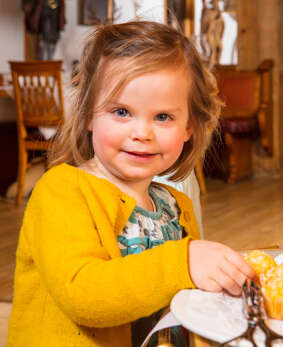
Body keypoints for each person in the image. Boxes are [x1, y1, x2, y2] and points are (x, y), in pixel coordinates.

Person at [7, 21, 256, 347]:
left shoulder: (174, 205)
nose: (142, 133)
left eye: (163, 117)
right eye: (122, 111)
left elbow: (190, 281)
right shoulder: (62, 191)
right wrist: (183, 261)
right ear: (89, 117)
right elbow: (83, 293)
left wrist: (255, 269)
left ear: (188, 128)